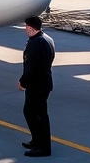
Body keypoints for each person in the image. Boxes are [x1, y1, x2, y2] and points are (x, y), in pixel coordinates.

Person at [19, 16, 54, 158]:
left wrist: (23, 81)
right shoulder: (46, 38)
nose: (25, 29)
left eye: (26, 27)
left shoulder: (36, 43)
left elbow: (32, 66)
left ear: (30, 28)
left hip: (37, 84)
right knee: (33, 112)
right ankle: (37, 140)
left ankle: (43, 147)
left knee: (36, 115)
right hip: (43, 82)